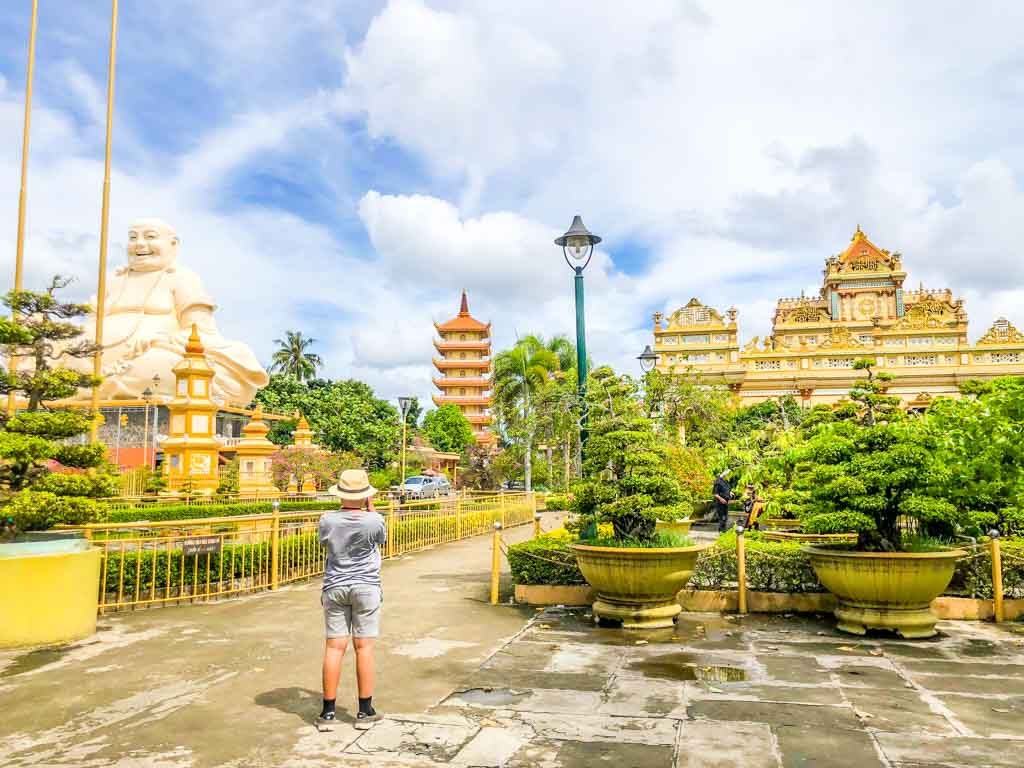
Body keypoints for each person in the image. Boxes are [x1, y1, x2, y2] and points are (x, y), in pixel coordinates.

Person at [317, 468, 386, 732]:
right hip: (366, 587)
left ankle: (328, 713)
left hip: (335, 586)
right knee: (364, 648)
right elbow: (381, 540)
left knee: (334, 648)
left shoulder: (327, 520)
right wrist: (371, 510)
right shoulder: (375, 520)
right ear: (366, 495)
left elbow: (326, 542)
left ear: (341, 493)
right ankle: (364, 711)